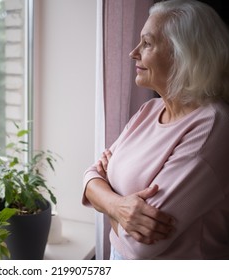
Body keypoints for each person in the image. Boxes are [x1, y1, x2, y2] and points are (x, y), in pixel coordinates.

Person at [82, 0, 229, 260]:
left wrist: (104, 195)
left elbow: (141, 246)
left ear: (184, 55)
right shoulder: (149, 111)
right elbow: (90, 175)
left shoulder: (211, 126)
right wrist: (119, 206)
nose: (133, 53)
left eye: (147, 43)